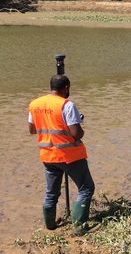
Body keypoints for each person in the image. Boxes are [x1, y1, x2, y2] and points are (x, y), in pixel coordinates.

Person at [28, 75, 95, 235]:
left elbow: (32, 129)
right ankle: (79, 227)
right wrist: (79, 125)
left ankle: (50, 226)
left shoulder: (35, 104)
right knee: (86, 188)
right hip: (69, 156)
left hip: (48, 156)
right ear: (66, 87)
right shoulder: (67, 105)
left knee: (51, 192)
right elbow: (76, 133)